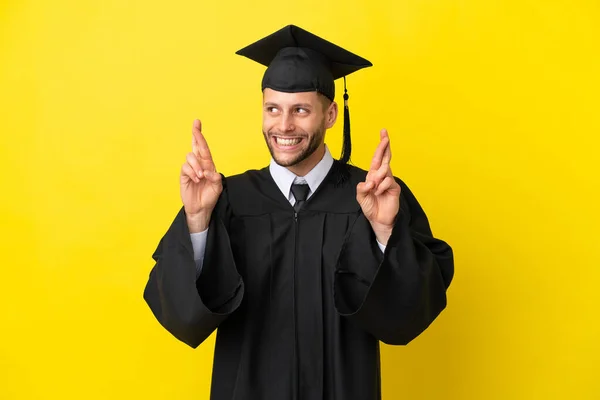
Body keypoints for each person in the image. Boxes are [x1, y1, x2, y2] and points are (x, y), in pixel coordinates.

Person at [143, 25, 454, 400]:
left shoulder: (372, 199)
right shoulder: (228, 199)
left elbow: (408, 316)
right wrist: (197, 222)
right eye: (272, 109)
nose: (283, 125)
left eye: (300, 110)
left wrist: (386, 233)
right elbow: (182, 317)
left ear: (331, 115)